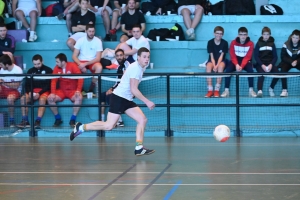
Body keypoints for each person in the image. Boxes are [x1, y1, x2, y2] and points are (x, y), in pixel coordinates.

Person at [70, 47, 156, 156]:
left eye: (148, 57)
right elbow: (134, 88)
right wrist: (147, 101)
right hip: (119, 98)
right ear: (138, 57)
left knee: (142, 119)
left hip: (127, 99)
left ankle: (139, 147)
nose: (147, 59)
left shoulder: (141, 66)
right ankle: (81, 127)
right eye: (144, 57)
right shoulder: (136, 68)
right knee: (109, 126)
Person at [17, 54, 53, 129]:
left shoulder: (49, 70)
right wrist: (29, 92)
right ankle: (25, 121)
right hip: (32, 91)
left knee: (42, 100)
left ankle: (37, 121)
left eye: (38, 64)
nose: (37, 66)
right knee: (23, 99)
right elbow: (27, 84)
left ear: (42, 61)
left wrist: (39, 93)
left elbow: (49, 85)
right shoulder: (30, 71)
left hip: (44, 91)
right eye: (35, 64)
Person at [47, 53, 83, 127]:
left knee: (79, 98)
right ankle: (58, 118)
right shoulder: (56, 68)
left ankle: (73, 119)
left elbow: (80, 77)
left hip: (72, 91)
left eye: (57, 62)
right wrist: (53, 93)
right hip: (61, 91)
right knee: (50, 98)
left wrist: (78, 90)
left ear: (63, 62)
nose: (56, 63)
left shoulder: (72, 65)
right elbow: (53, 81)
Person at [221, 27, 257, 98]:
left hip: (246, 61)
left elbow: (248, 57)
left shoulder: (251, 44)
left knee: (251, 70)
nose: (243, 36)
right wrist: (237, 64)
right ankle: (226, 90)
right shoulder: (233, 43)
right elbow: (233, 55)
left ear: (247, 35)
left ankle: (251, 90)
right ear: (238, 35)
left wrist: (242, 66)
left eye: (244, 34)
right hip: (235, 61)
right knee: (227, 70)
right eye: (241, 34)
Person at [100, 49, 130, 126]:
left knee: (110, 96)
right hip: (118, 87)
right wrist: (111, 88)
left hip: (126, 89)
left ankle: (119, 120)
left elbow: (126, 82)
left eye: (121, 55)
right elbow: (117, 82)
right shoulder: (118, 64)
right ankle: (102, 119)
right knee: (102, 95)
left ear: (124, 56)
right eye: (117, 56)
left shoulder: (127, 65)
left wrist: (113, 91)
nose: (119, 57)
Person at [72, 24, 102, 93]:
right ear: (86, 31)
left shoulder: (98, 41)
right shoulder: (80, 40)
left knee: (99, 67)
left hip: (92, 61)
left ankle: (91, 88)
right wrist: (80, 64)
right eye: (90, 31)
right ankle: (79, 89)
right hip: (81, 61)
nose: (91, 33)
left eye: (93, 31)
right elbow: (74, 56)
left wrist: (85, 64)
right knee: (73, 68)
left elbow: (98, 58)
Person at [272, 29, 300, 97]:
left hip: (298, 62)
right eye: (293, 37)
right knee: (283, 70)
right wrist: (291, 61)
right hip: (288, 62)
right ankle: (284, 90)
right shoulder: (286, 44)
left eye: (297, 38)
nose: (295, 39)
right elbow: (283, 57)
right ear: (291, 37)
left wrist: (297, 61)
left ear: (299, 39)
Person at [254, 27, 279, 98]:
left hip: (270, 63)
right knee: (261, 74)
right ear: (262, 35)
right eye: (264, 34)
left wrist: (271, 65)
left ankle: (271, 88)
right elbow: (256, 56)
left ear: (270, 35)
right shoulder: (258, 43)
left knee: (278, 73)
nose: (266, 36)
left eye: (267, 34)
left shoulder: (272, 44)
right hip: (260, 64)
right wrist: (262, 65)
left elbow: (275, 57)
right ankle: (259, 91)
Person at [205, 26, 228, 98]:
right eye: (217, 33)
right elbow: (211, 56)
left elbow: (221, 56)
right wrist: (214, 65)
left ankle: (217, 90)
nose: (219, 35)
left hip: (221, 61)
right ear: (214, 33)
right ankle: (210, 90)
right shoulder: (210, 42)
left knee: (220, 67)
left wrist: (217, 65)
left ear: (222, 35)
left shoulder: (225, 43)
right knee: (208, 67)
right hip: (212, 60)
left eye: (221, 34)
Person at [0, 54, 23, 127]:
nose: (0, 66)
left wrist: (4, 82)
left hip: (15, 90)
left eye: (1, 65)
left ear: (6, 65)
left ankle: (12, 120)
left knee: (10, 99)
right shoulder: (2, 70)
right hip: (4, 89)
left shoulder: (18, 70)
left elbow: (16, 86)